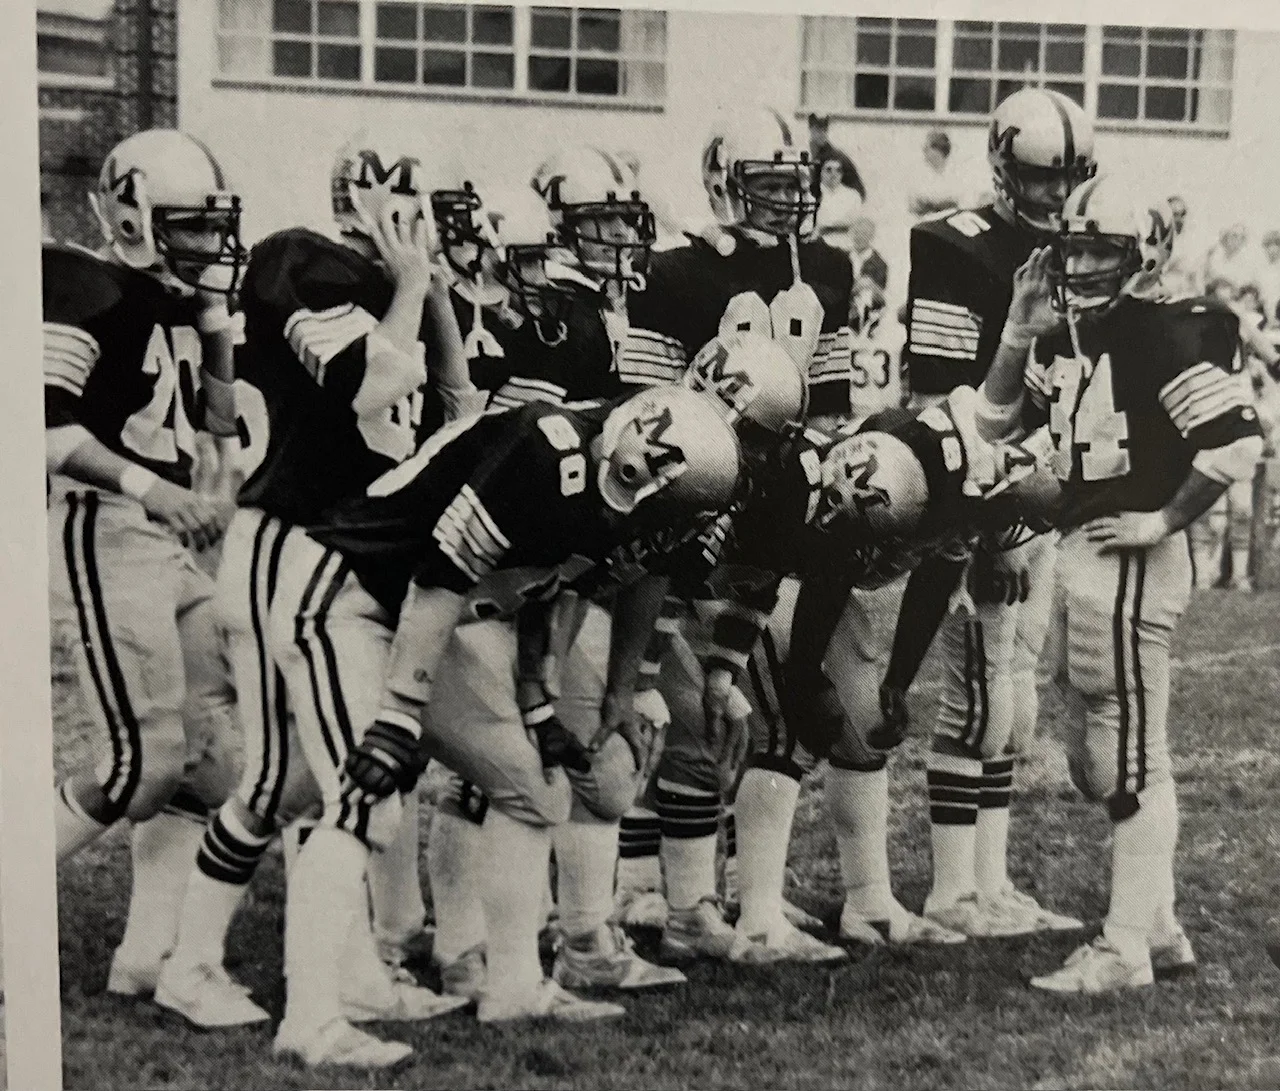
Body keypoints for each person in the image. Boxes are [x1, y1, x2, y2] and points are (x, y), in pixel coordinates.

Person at [275, 382, 742, 1065]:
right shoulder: (543, 451)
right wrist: (402, 710)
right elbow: (444, 570)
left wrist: (537, 701)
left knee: (537, 784)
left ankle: (514, 985)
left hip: (429, 614)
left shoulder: (626, 477)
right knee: (358, 794)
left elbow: (544, 584)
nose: (656, 534)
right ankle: (310, 1014)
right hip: (348, 591)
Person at [152, 131, 482, 1031]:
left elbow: (457, 409)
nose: (426, 228)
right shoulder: (304, 259)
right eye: (411, 207)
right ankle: (298, 992)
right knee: (329, 781)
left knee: (286, 782)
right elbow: (371, 390)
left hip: (323, 553)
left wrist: (435, 287)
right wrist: (413, 286)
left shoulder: (386, 288)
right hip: (284, 543)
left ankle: (217, 965)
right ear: (365, 203)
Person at [978, 174, 1261, 992]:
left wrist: (1162, 520)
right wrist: (1013, 335)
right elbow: (996, 422)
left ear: (1143, 255)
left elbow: (1236, 444)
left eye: (1102, 248)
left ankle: (1126, 946)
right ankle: (1161, 925)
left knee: (1132, 760)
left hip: (1132, 558)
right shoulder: (1064, 335)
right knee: (1094, 759)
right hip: (1079, 549)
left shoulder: (1176, 331)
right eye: (1075, 247)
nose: (1084, 264)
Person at [613, 103, 857, 963]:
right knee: (683, 702)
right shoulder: (675, 271)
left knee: (716, 701)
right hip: (692, 498)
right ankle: (674, 897)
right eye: (769, 184)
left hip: (778, 496)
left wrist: (813, 479)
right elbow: (641, 407)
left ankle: (687, 894)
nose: (790, 201)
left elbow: (832, 409)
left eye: (800, 183)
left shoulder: (830, 265)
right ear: (724, 184)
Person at [893, 87, 1096, 941]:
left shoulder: (1085, 251)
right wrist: (994, 520)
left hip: (1044, 492)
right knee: (976, 694)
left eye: (1069, 179)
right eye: (1041, 179)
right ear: (1003, 166)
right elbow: (941, 400)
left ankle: (995, 880)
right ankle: (952, 888)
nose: (1054, 196)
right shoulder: (952, 246)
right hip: (975, 492)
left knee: (1011, 699)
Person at [45, 130, 244, 997]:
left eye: (215, 228)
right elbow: (46, 429)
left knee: (210, 760)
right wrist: (152, 491)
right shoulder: (82, 285)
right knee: (139, 765)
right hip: (108, 524)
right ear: (132, 219)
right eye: (191, 228)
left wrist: (214, 323)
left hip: (168, 538)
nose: (211, 246)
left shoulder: (176, 301)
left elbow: (219, 423)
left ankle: (147, 953)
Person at [908, 129, 963, 220]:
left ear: (937, 150)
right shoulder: (919, 173)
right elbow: (913, 204)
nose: (924, 152)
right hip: (925, 222)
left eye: (927, 148)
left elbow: (959, 203)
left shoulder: (955, 173)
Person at [814, 154, 864, 253]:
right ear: (820, 172)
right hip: (818, 246)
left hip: (845, 246)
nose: (834, 174)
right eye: (828, 170)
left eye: (838, 170)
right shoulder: (812, 193)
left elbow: (855, 223)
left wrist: (826, 226)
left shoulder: (852, 195)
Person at [849, 215, 888, 295]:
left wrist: (871, 285)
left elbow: (879, 297)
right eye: (856, 232)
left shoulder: (879, 264)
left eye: (864, 233)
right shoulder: (843, 257)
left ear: (871, 236)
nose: (859, 237)